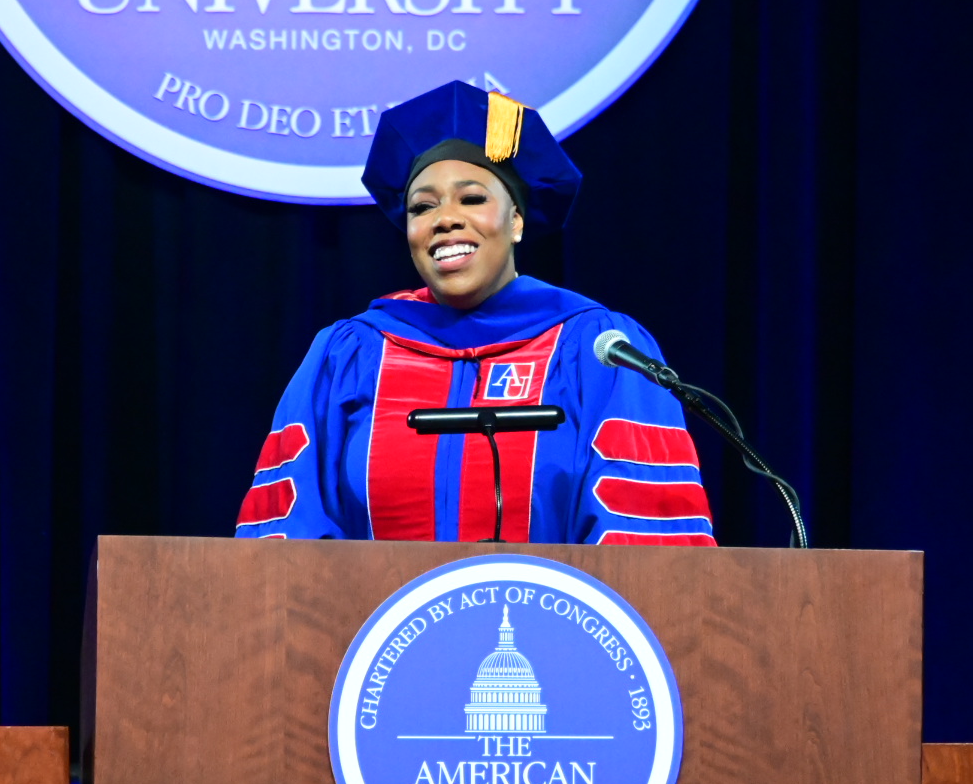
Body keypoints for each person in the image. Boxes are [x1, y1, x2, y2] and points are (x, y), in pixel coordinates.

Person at [235, 81, 715, 545]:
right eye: (422, 207)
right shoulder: (351, 355)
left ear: (516, 222)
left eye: (472, 198)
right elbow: (286, 538)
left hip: (554, 624)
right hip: (379, 626)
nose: (445, 219)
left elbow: (649, 540)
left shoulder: (597, 350)